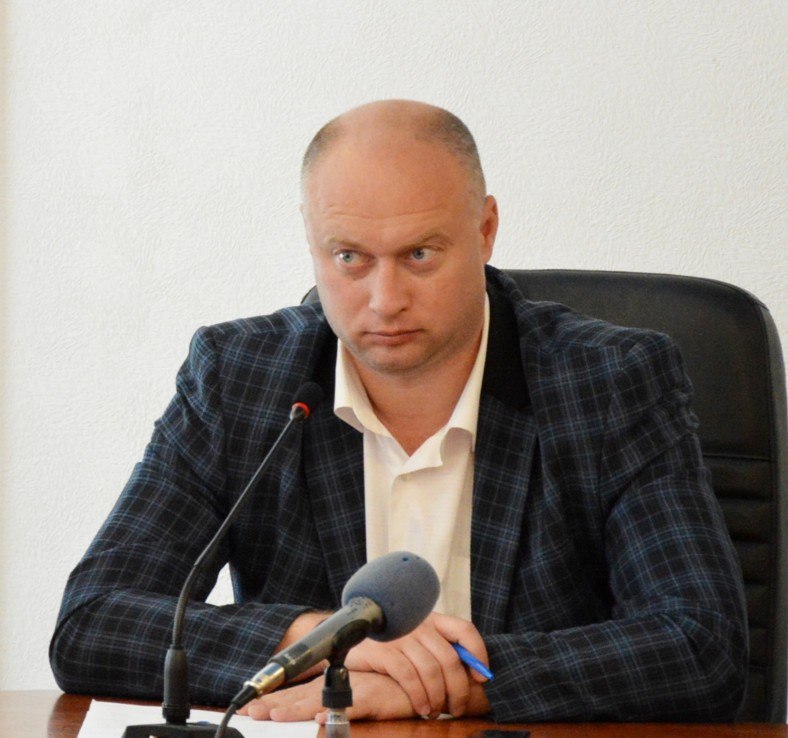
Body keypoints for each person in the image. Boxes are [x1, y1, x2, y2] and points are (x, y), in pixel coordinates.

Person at [50, 100, 748, 724]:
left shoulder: (609, 381)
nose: (385, 300)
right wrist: (321, 643)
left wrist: (450, 684)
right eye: (349, 258)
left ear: (485, 230)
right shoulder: (241, 379)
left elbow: (701, 645)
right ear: (311, 239)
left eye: (419, 254)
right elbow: (92, 623)